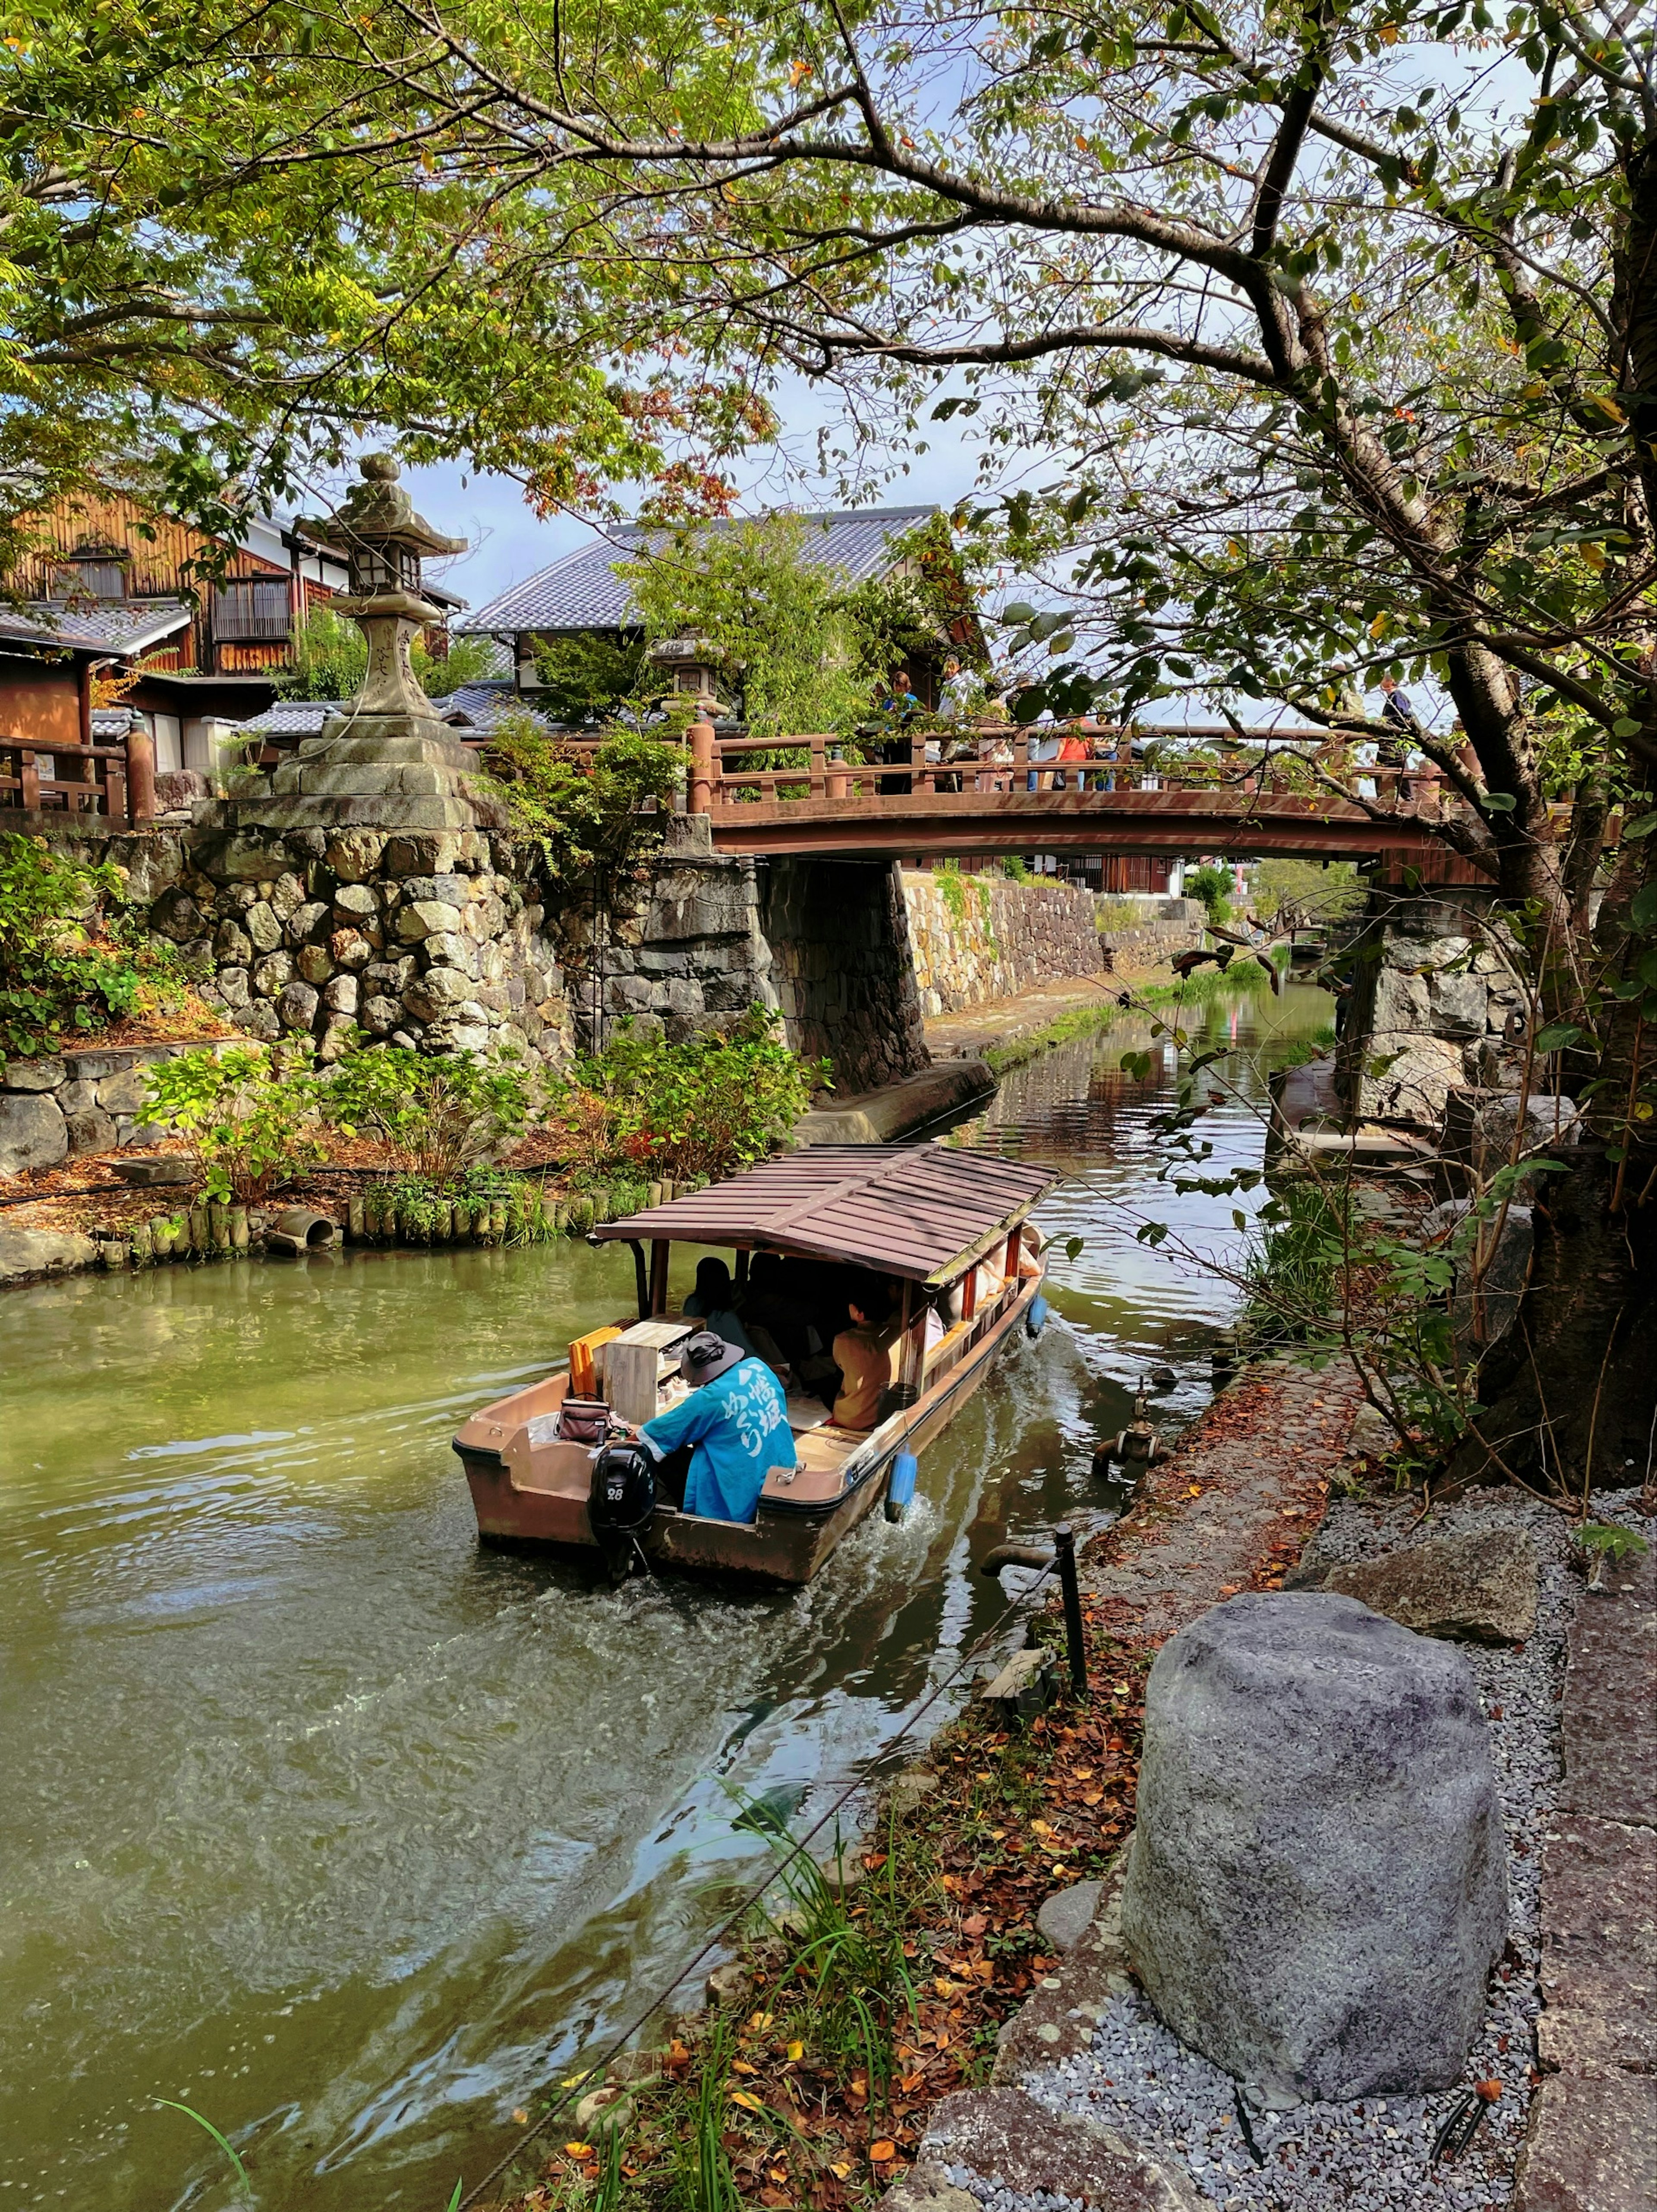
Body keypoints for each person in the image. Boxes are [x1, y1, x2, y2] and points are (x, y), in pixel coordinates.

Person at [637, 1330, 797, 1523]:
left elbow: (652, 1437)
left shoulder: (709, 1398)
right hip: (782, 1469)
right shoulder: (758, 1366)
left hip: (742, 1496)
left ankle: (692, 1515)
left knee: (661, 1454)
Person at [830, 1278, 897, 1430]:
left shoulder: (844, 1340)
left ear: (859, 1314)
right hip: (882, 1416)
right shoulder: (895, 1333)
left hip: (851, 1418)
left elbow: (840, 1365)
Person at [682, 1257, 757, 1357]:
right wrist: (771, 1367)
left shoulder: (691, 1303)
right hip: (721, 1363)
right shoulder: (725, 1316)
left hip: (697, 1358)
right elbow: (746, 1352)